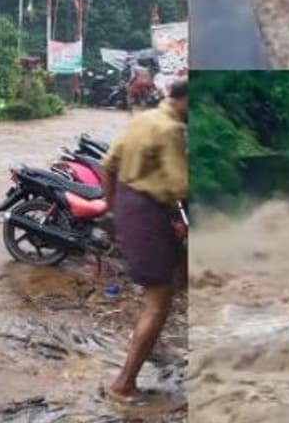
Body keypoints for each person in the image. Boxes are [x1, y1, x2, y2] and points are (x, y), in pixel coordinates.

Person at [100, 77, 188, 404]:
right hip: (150, 213)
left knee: (180, 275)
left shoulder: (143, 118)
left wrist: (112, 207)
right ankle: (123, 384)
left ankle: (143, 336)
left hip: (129, 206)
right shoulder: (171, 129)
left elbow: (107, 164)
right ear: (185, 100)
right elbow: (181, 186)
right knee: (158, 302)